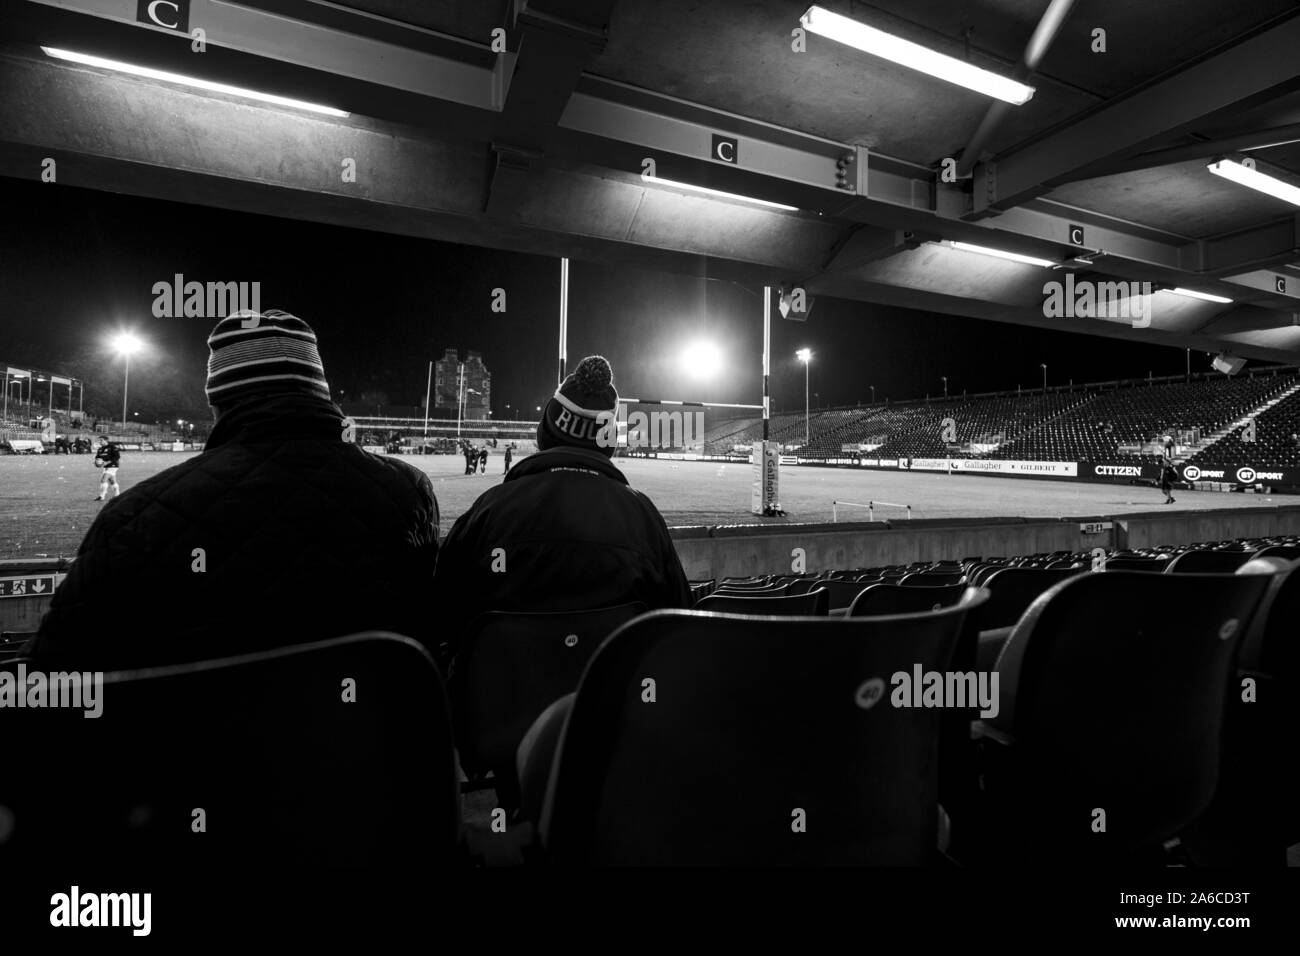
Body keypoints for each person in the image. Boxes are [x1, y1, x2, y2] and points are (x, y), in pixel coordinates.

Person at [34, 309, 441, 671]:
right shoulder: (408, 491)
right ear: (321, 393)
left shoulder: (134, 517)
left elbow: (56, 672)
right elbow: (431, 632)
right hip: (376, 747)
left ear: (217, 403)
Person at [434, 354, 691, 657]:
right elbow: (678, 626)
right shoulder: (643, 517)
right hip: (610, 698)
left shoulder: (490, 510)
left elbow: (439, 612)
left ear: (546, 429)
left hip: (500, 697)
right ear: (608, 441)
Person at [92, 436, 121, 501]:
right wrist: (96, 462)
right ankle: (117, 495)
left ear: (106, 440)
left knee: (103, 480)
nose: (100, 441)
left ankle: (102, 496)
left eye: (101, 440)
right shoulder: (100, 449)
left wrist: (107, 462)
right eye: (99, 440)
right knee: (112, 481)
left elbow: (117, 456)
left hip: (113, 466)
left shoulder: (112, 447)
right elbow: (97, 457)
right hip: (106, 467)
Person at [1160, 436, 1177, 504]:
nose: (1163, 442)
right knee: (1164, 490)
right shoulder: (1167, 448)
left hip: (1168, 470)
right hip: (1166, 469)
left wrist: (1165, 458)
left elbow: (1171, 459)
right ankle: (1170, 499)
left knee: (1166, 488)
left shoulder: (1169, 448)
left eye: (1164, 441)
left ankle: (1169, 499)